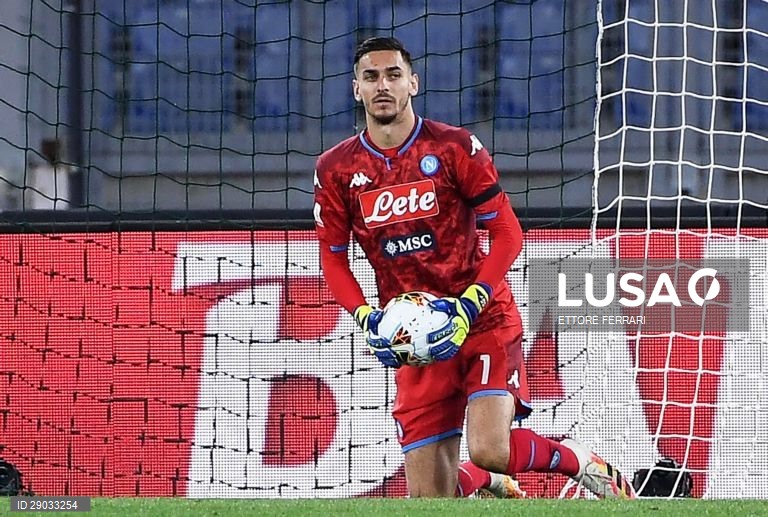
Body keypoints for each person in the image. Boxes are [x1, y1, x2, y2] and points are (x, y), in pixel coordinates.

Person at [313, 36, 635, 499]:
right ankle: (483, 481)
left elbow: (508, 234)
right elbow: (332, 258)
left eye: (393, 75)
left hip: (481, 318)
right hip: (414, 337)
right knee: (430, 501)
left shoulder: (454, 148)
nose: (382, 85)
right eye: (371, 77)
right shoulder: (336, 168)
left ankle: (579, 460)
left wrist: (471, 301)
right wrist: (367, 317)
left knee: (490, 446)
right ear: (355, 89)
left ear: (413, 83)